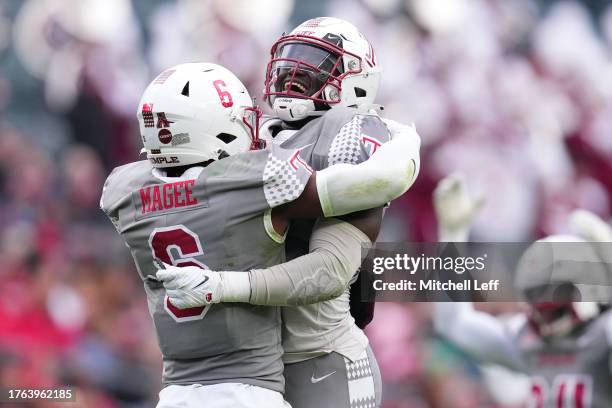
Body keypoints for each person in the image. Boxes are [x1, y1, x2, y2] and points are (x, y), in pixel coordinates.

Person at [101, 62, 419, 408]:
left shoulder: (122, 192)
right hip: (249, 392)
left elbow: (183, 189)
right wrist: (403, 136)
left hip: (176, 393)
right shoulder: (253, 181)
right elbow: (374, 183)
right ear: (215, 130)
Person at [432, 174, 612, 407]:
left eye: (555, 310)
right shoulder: (530, 342)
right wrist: (452, 237)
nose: (546, 325)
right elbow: (453, 323)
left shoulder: (603, 336)